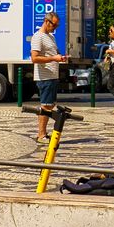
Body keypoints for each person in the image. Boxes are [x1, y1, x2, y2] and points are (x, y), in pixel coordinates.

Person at [30, 10, 66, 143]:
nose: (55, 28)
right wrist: (53, 58)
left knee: (49, 105)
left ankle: (43, 133)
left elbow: (53, 53)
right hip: (44, 77)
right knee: (45, 105)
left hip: (52, 76)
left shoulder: (50, 37)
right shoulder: (38, 37)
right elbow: (34, 58)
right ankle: (41, 135)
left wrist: (60, 57)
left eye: (57, 26)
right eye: (54, 25)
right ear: (46, 21)